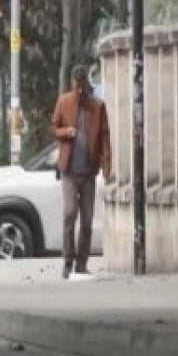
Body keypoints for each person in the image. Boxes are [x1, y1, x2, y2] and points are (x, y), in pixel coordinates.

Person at [50, 65, 111, 279]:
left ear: (87, 84)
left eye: (83, 87)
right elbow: (53, 128)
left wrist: (106, 164)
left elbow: (105, 137)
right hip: (69, 171)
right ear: (72, 84)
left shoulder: (98, 106)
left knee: (87, 219)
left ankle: (81, 263)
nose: (80, 91)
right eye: (77, 87)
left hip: (88, 172)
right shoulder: (63, 102)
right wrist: (65, 132)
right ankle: (67, 261)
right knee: (69, 213)